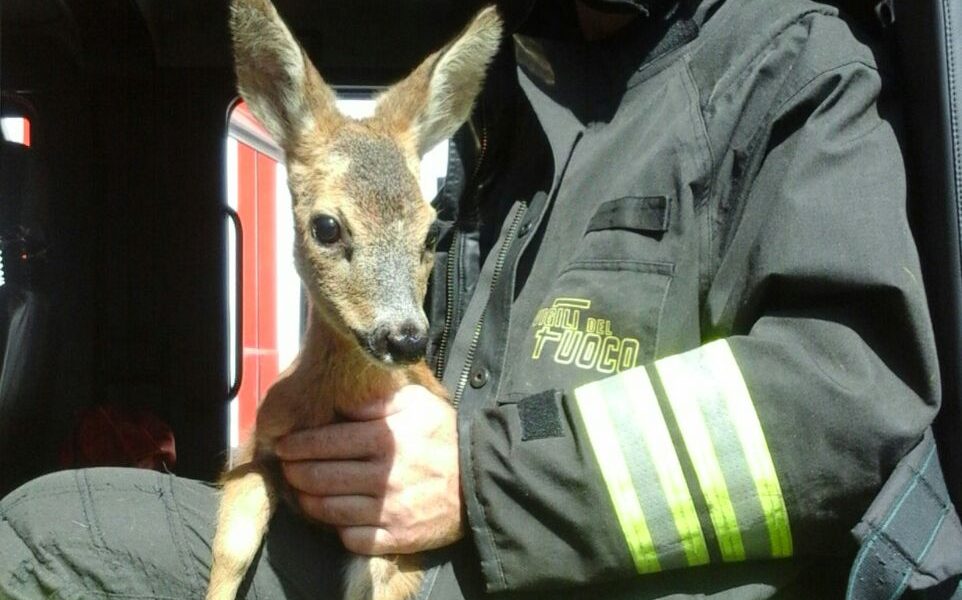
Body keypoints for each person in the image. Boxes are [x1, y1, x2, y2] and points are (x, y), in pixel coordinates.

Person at [2, 0, 961, 598]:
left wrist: (477, 474)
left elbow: (845, 398)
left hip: (586, 572)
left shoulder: (791, 60)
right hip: (438, 541)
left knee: (42, 541)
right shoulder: (525, 97)